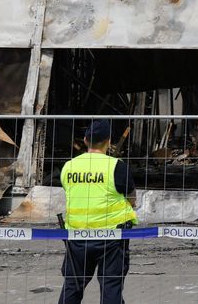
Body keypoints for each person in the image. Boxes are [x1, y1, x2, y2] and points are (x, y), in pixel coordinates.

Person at [59, 119, 138, 304]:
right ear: (108, 141)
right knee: (111, 286)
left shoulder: (69, 167)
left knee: (72, 285)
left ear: (86, 140)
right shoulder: (116, 166)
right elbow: (131, 198)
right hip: (111, 237)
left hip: (77, 236)